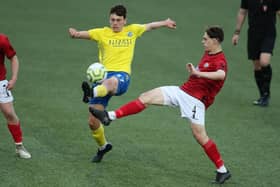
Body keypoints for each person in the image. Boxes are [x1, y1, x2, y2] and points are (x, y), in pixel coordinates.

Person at [90, 26, 231, 184]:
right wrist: (195, 72)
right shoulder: (208, 52)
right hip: (182, 91)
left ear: (216, 41)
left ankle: (222, 170)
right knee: (146, 97)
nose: (202, 41)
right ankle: (109, 116)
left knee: (200, 136)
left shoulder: (220, 60)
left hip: (195, 101)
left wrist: (198, 73)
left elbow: (221, 75)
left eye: (205, 39)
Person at [68, 5, 176, 162]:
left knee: (111, 82)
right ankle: (103, 146)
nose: (115, 23)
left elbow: (150, 26)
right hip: (103, 79)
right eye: (112, 20)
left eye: (118, 20)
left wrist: (165, 22)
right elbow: (85, 34)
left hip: (121, 77)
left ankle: (92, 92)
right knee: (93, 121)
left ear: (125, 20)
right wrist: (75, 34)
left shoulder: (132, 30)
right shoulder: (102, 32)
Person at [232, 0, 280, 106]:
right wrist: (237, 32)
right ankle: (263, 95)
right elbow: (242, 12)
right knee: (257, 66)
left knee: (264, 62)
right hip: (253, 34)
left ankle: (266, 94)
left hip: (269, 34)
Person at [0, 33, 31, 159]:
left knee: (9, 113)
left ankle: (19, 146)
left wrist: (13, 78)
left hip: (0, 82)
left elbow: (13, 58)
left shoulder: (2, 40)